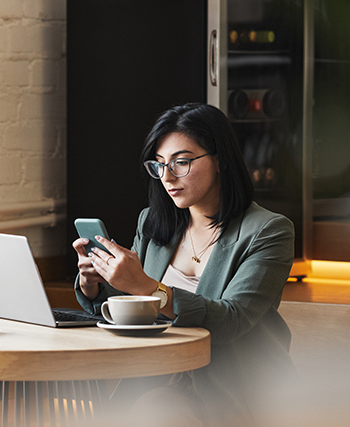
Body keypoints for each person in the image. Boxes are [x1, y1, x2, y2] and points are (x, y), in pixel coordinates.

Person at [72, 103, 296, 426]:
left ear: (219, 160)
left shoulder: (268, 231)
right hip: (155, 376)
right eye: (159, 165)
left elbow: (230, 320)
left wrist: (145, 287)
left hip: (231, 388)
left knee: (152, 413)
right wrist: (95, 284)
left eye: (182, 162)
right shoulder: (153, 222)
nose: (168, 176)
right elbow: (129, 306)